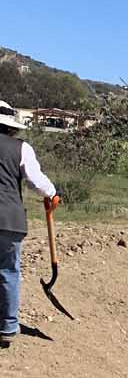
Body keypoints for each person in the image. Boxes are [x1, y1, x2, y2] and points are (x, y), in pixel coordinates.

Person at [0, 101, 59, 347]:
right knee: (8, 272)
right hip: (9, 219)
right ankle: (8, 326)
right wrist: (52, 193)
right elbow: (37, 182)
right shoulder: (21, 148)